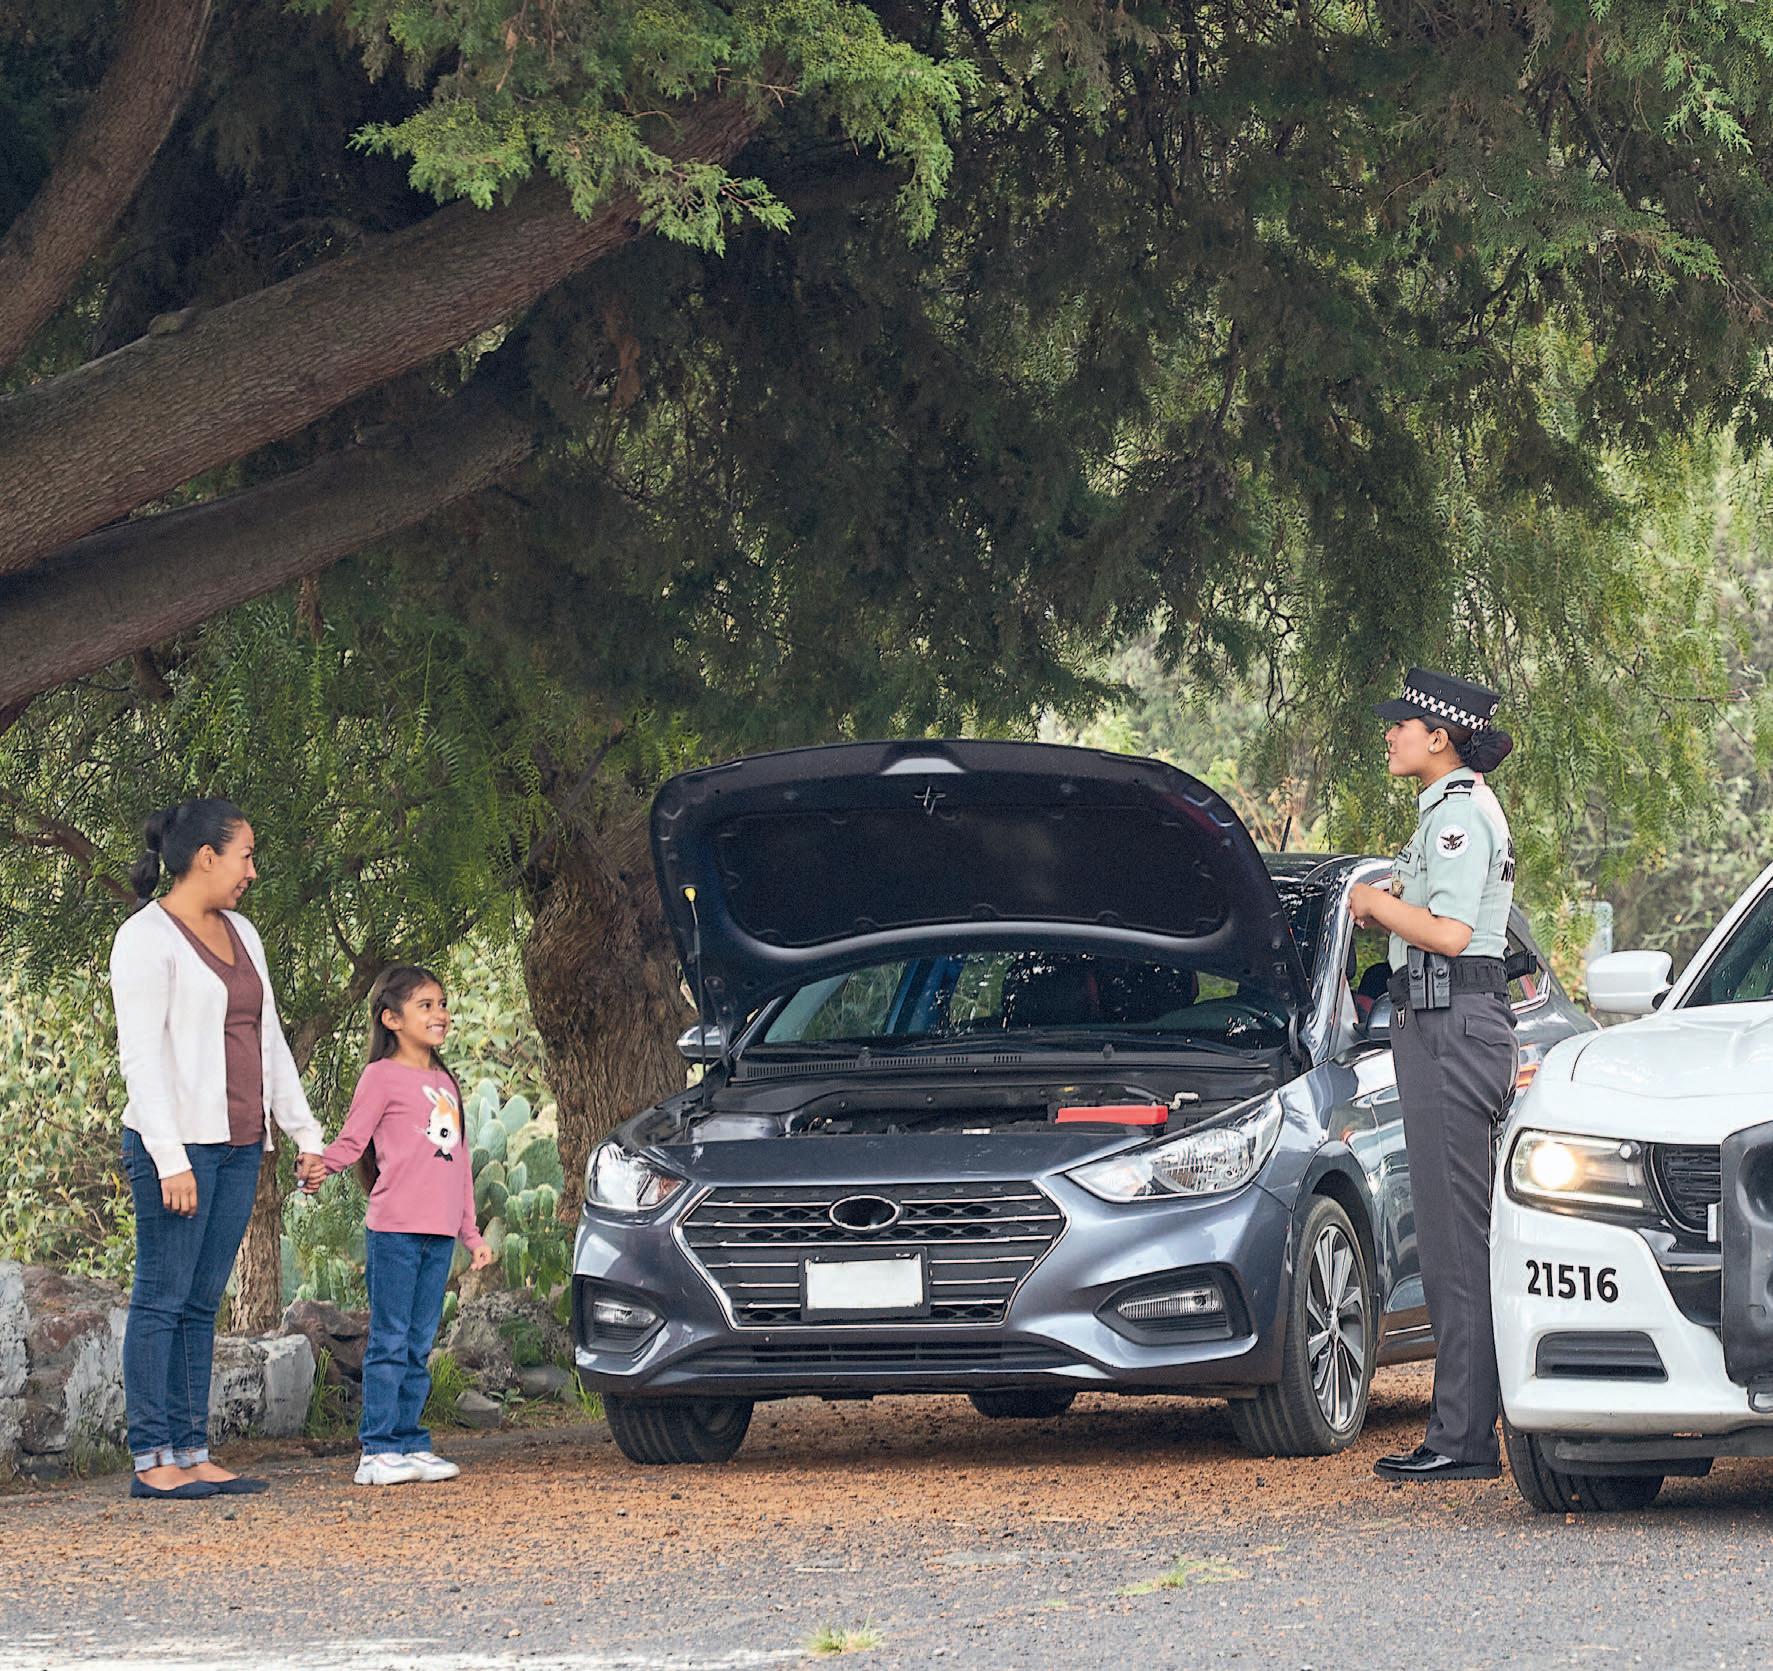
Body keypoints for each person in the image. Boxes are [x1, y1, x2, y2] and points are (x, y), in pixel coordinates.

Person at [111, 798, 327, 1500]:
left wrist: (304, 1133)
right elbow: (140, 1059)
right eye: (245, 856)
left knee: (202, 1302)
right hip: (176, 1148)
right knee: (161, 1298)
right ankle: (153, 1458)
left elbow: (269, 1040)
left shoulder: (243, 933)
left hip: (239, 1146)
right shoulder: (145, 938)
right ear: (206, 857)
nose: (252, 872)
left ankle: (192, 1450)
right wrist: (169, 1158)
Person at [1348, 669, 1519, 1482]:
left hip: (1451, 1023)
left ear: (1439, 737)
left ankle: (1463, 1435)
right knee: (1451, 1237)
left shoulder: (1456, 814)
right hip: (1442, 1023)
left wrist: (1374, 904)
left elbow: (1449, 933)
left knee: (1454, 1240)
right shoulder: (1449, 810)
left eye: (1401, 723)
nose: (1390, 734)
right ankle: (1460, 1426)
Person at [315, 964, 493, 1486]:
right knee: (390, 1340)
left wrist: (471, 1235)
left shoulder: (445, 1083)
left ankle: (411, 1442)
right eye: (426, 1006)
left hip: (439, 1235)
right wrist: (318, 1167)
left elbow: (459, 1163)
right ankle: (377, 1449)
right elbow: (352, 1141)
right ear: (391, 1018)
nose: (441, 1014)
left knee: (419, 1343)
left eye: (443, 1004)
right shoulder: (381, 1077)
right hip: (394, 1230)